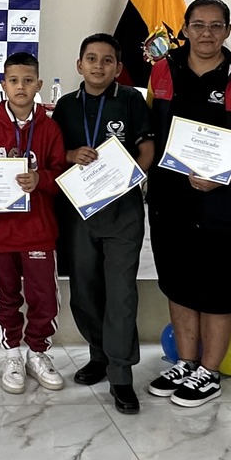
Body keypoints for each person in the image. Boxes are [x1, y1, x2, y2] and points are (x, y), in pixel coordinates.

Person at [145, 0, 231, 409]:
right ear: (185, 29)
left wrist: (229, 174)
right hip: (172, 200)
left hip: (228, 204)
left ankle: (210, 371)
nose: (206, 33)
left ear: (228, 31)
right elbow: (150, 130)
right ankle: (186, 362)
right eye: (198, 25)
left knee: (219, 288)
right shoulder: (162, 70)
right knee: (179, 284)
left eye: (216, 25)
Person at [53, 32, 155, 414]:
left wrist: (129, 178)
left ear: (118, 67)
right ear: (79, 65)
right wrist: (70, 154)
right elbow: (53, 153)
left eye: (107, 60)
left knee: (121, 292)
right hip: (79, 210)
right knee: (84, 290)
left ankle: (121, 374)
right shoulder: (65, 106)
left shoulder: (131, 99)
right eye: (91, 59)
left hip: (122, 210)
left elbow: (147, 147)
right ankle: (99, 354)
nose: (99, 66)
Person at [0, 52, 69, 394]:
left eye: (27, 80)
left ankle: (38, 352)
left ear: (38, 85)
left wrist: (40, 178)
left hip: (38, 230)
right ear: (4, 85)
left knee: (45, 297)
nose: (20, 87)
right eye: (13, 81)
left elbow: (61, 176)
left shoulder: (50, 127)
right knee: (5, 297)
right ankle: (12, 354)